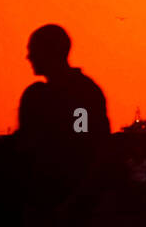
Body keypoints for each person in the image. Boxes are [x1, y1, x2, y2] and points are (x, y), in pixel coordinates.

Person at [16, 24, 111, 215]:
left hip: (66, 198)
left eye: (33, 50)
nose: (29, 57)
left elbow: (86, 145)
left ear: (50, 52)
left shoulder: (81, 93)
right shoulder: (41, 95)